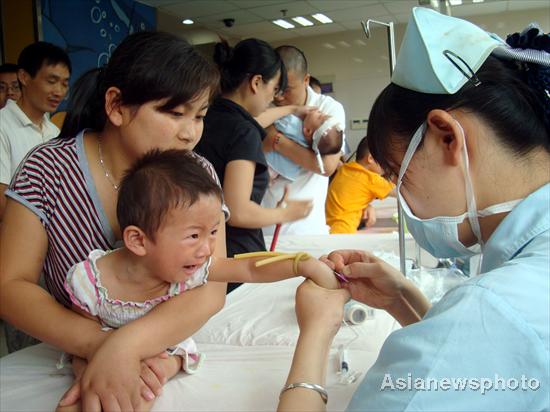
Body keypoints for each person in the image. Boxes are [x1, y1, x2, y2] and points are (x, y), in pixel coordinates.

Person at [278, 9, 549, 411]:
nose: (398, 196)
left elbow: (466, 348)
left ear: (445, 138)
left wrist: (316, 332)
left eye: (397, 174)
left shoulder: (493, 310)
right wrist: (402, 298)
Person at [0, 31, 229, 412]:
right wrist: (100, 346)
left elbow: (211, 285)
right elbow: (10, 284)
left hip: (163, 358)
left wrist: (129, 346)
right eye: (174, 114)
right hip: (71, 356)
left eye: (200, 115)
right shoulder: (47, 169)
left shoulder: (198, 173)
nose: (190, 133)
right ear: (117, 106)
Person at [59, 149, 339, 412]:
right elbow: (80, 338)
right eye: (194, 235)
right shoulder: (89, 282)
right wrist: (90, 371)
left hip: (165, 348)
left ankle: (168, 366)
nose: (206, 249)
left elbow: (251, 268)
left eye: (214, 232)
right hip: (103, 350)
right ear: (138, 240)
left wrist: (302, 264)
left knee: (145, 386)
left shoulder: (194, 268)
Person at [195, 39, 313, 264]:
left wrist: (293, 110)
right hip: (237, 254)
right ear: (256, 82)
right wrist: (286, 214)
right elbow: (237, 212)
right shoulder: (244, 132)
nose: (274, 98)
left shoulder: (206, 118)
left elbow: (255, 120)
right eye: (274, 89)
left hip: (203, 251)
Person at [261, 45, 346, 236]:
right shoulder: (264, 103)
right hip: (263, 224)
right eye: (276, 88)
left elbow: (326, 167)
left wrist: (276, 139)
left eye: (287, 89)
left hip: (306, 228)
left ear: (306, 80)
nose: (279, 96)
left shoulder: (326, 109)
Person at [0, 43, 71, 220]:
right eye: (51, 81)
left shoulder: (55, 133)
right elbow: (2, 201)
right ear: (24, 77)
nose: (59, 92)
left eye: (64, 83)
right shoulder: (3, 125)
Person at [325, 136, 395, 234]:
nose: (387, 166)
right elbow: (400, 191)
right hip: (344, 231)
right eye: (385, 161)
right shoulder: (370, 178)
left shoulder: (347, 169)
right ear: (370, 158)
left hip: (329, 227)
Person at [265, 108, 343, 181]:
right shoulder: (310, 148)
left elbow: (275, 120)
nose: (320, 111)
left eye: (319, 116)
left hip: (267, 160)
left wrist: (294, 111)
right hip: (276, 172)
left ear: (308, 131)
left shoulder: (293, 125)